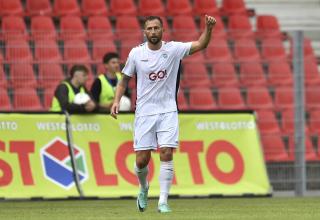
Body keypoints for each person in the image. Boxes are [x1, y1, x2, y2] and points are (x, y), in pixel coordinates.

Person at [111, 15, 216, 213]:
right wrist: (116, 101)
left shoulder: (173, 50)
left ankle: (163, 201)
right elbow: (124, 80)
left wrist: (208, 28)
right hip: (144, 112)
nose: (153, 32)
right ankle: (143, 188)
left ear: (162, 30)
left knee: (166, 152)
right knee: (142, 160)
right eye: (149, 29)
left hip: (168, 109)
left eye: (156, 28)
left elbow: (201, 44)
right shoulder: (136, 53)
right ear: (144, 32)